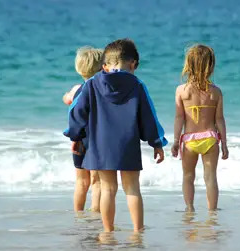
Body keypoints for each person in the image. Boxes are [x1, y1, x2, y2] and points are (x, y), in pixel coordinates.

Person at [66, 38, 167, 232]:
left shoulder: (92, 84)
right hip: (128, 144)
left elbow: (77, 113)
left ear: (104, 65)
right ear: (133, 64)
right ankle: (137, 231)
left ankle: (107, 231)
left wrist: (75, 136)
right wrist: (157, 142)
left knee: (108, 189)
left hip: (100, 145)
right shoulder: (137, 85)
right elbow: (148, 116)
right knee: (132, 188)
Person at [171, 44, 229, 212]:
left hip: (190, 140)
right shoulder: (216, 92)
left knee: (188, 176)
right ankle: (212, 210)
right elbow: (219, 119)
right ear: (210, 66)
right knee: (210, 177)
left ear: (188, 65)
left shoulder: (182, 91)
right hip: (210, 138)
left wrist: (176, 141)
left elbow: (179, 117)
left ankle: (189, 208)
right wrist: (224, 143)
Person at [63, 46, 103, 212]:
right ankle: (95, 213)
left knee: (81, 180)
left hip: (78, 138)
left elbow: (67, 98)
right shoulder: (102, 90)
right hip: (97, 139)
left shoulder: (76, 89)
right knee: (97, 180)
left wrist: (68, 97)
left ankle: (78, 213)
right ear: (102, 67)